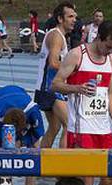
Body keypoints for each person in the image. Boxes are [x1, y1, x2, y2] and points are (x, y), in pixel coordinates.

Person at [51, 21, 112, 185]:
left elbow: (110, 94)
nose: (110, 51)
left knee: (110, 179)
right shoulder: (77, 55)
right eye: (108, 46)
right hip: (81, 129)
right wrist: (77, 88)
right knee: (86, 182)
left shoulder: (111, 60)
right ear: (98, 37)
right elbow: (55, 84)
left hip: (103, 129)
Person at [35, 2, 76, 150]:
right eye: (70, 16)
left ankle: (36, 168)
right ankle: (64, 167)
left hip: (46, 87)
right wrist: (74, 69)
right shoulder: (56, 36)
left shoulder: (58, 36)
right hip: (50, 88)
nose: (74, 20)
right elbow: (53, 62)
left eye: (75, 17)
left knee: (54, 127)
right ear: (60, 18)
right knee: (69, 125)